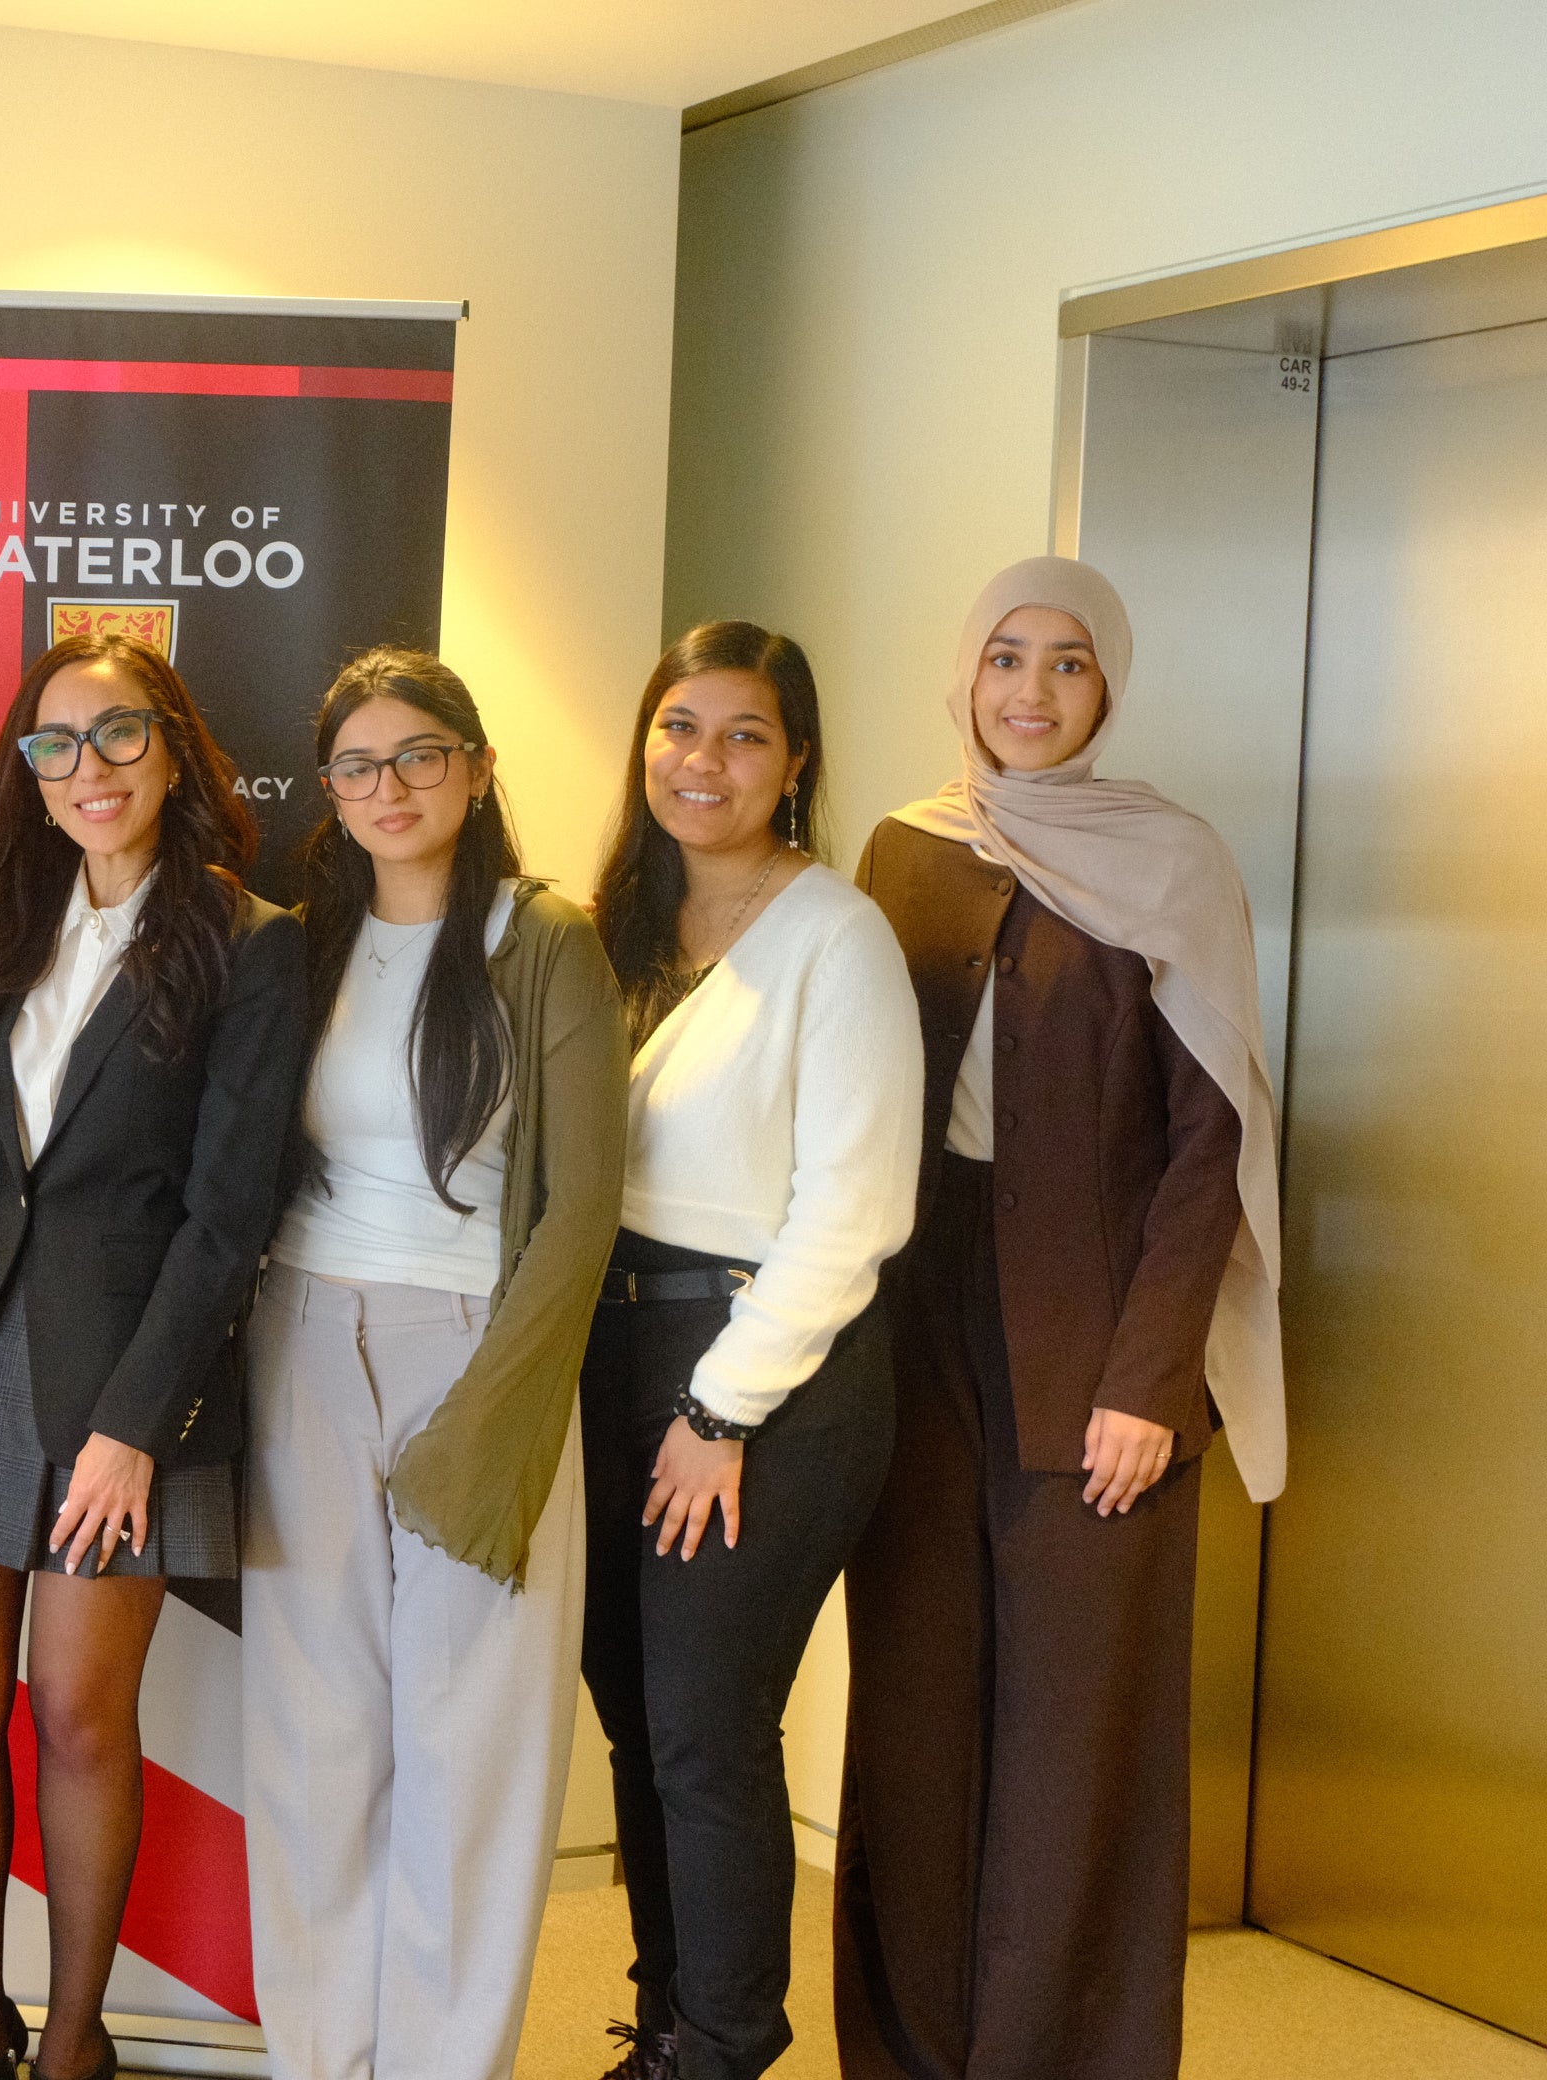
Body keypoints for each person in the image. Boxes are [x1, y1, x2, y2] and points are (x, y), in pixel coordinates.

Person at [834, 558, 1282, 2080]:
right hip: (908, 1336)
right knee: (913, 1714)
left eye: (1070, 663)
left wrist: (1152, 1380)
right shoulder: (904, 849)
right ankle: (907, 2052)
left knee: (1080, 1737)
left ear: (1109, 688)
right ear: (964, 674)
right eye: (1006, 657)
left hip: (1102, 1338)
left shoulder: (1174, 859)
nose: (1030, 691)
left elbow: (1212, 1143)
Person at [0, 632, 308, 2080]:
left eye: (118, 735)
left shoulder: (253, 941)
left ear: (175, 747)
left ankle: (74, 2041)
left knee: (74, 1710)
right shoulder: (2, 924)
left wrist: (137, 1422)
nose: (89, 769)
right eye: (55, 745)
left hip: (130, 1377)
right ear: (27, 772)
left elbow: (229, 1211)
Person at [241, 649, 628, 2080]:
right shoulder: (303, 941)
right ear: (328, 792)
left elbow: (580, 1208)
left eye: (418, 757)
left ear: (474, 768)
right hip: (303, 1342)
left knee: (469, 1761)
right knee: (313, 1750)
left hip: (481, 1356)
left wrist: (488, 1421)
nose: (387, 788)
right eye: (356, 765)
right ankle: (321, 2062)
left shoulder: (544, 941)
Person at [578, 622, 922, 2080]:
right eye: (679, 727)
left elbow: (855, 1209)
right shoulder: (611, 931)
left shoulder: (835, 933)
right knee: (634, 1712)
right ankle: (669, 2020)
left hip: (760, 1373)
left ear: (796, 764)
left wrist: (718, 1410)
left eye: (742, 735)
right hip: (611, 1357)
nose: (702, 760)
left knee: (707, 1729)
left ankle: (719, 2048)